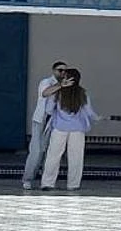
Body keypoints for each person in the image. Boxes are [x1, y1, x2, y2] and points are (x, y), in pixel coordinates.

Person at [38, 68, 102, 191]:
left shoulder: (57, 93)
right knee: (76, 157)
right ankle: (73, 184)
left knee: (53, 156)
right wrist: (97, 118)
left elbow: (49, 109)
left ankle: (47, 183)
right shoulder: (82, 93)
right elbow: (89, 112)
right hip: (77, 129)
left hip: (59, 128)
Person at [22, 60, 68, 190]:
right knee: (36, 151)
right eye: (60, 70)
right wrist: (60, 85)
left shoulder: (64, 86)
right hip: (41, 120)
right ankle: (27, 178)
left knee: (49, 152)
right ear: (54, 71)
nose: (63, 73)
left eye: (65, 71)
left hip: (53, 121)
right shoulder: (46, 82)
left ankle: (46, 181)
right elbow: (45, 93)